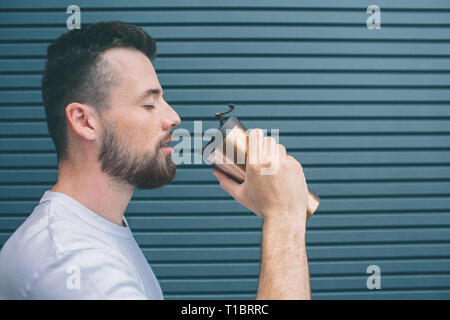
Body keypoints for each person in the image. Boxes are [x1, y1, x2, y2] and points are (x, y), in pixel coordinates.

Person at [0, 21, 310, 299]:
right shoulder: (76, 265)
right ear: (84, 121)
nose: (174, 117)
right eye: (149, 104)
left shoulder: (96, 231)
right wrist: (284, 219)